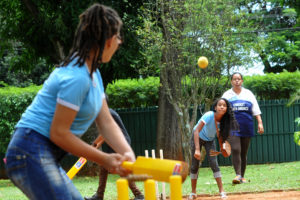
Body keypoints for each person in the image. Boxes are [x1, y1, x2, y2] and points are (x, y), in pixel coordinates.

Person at [5, 3, 135, 200]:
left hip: (40, 153)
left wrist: (127, 154)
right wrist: (105, 159)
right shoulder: (77, 77)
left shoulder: (93, 75)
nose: (120, 42)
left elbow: (106, 122)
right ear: (107, 41)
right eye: (118, 36)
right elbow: (59, 133)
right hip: (29, 150)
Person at [85, 108, 144, 200]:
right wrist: (95, 145)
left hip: (119, 141)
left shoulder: (107, 114)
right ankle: (99, 195)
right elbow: (104, 134)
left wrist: (93, 145)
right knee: (104, 167)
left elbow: (105, 133)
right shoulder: (108, 112)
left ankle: (139, 195)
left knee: (119, 167)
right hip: (115, 141)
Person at [188, 98, 239, 200]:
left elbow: (220, 136)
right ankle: (193, 193)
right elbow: (196, 131)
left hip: (210, 141)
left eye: (224, 105)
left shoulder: (224, 122)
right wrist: (197, 149)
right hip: (197, 138)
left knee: (213, 163)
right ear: (215, 107)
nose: (221, 107)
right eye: (219, 105)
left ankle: (222, 191)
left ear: (226, 109)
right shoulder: (209, 115)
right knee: (194, 165)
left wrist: (222, 148)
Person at [222, 72, 264, 184]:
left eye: (239, 79)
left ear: (242, 81)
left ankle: (242, 177)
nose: (237, 81)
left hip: (246, 126)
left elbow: (256, 110)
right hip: (232, 127)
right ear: (231, 81)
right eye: (234, 79)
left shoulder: (248, 94)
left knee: (243, 153)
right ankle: (238, 175)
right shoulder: (226, 95)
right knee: (236, 149)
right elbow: (221, 110)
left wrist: (260, 123)